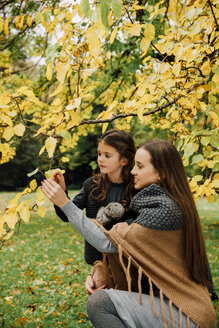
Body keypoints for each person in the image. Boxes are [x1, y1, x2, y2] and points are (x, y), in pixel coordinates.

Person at [41, 139, 216, 328]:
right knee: (103, 299)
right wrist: (103, 271)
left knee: (100, 303)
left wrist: (64, 203)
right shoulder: (160, 201)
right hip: (175, 307)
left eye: (140, 166)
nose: (133, 171)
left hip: (186, 315)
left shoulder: (164, 209)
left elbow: (106, 243)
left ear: (161, 172)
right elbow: (135, 255)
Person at [52, 129, 136, 290]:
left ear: (124, 160)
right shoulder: (92, 185)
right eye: (99, 154)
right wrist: (62, 193)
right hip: (99, 259)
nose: (100, 159)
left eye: (107, 155)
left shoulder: (135, 188)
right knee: (101, 291)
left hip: (128, 257)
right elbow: (67, 215)